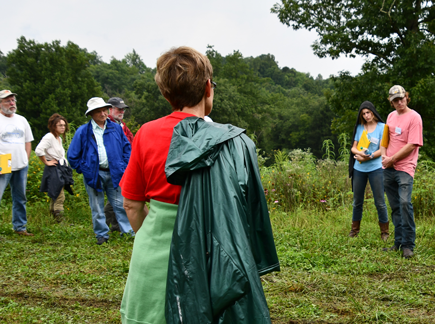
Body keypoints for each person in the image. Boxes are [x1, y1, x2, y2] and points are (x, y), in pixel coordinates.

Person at [119, 46, 279, 324]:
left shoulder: (146, 132)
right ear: (208, 87)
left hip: (155, 257)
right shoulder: (230, 141)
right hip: (214, 257)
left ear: (165, 93)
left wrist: (157, 238)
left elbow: (131, 205)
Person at [67, 97, 133, 245]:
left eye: (105, 110)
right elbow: (72, 155)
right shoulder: (83, 131)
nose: (103, 114)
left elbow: (126, 148)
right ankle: (101, 235)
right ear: (91, 114)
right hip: (94, 174)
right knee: (96, 206)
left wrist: (124, 165)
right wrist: (84, 169)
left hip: (115, 172)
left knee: (120, 204)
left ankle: (127, 232)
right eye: (98, 111)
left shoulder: (115, 128)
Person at [381, 85, 423, 259]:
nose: (399, 102)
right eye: (395, 100)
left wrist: (392, 159)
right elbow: (385, 140)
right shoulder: (391, 116)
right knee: (395, 206)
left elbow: (412, 144)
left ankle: (408, 244)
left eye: (401, 98)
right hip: (388, 168)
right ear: (391, 102)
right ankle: (398, 242)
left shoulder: (414, 117)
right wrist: (384, 156)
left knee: (405, 204)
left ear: (407, 97)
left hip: (404, 167)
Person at [348, 101, 389, 240]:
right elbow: (354, 147)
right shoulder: (360, 127)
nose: (366, 116)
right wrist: (358, 155)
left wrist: (370, 156)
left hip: (376, 167)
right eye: (363, 114)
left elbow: (383, 148)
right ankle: (355, 230)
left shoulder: (382, 127)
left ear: (373, 112)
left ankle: (384, 232)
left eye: (368, 112)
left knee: (379, 201)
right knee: (357, 201)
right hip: (359, 167)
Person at [0, 90, 34, 236]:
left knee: (20, 197)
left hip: (21, 163)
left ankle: (20, 227)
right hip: (3, 161)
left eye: (13, 100)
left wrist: (26, 159)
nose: (12, 103)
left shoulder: (22, 120)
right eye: (8, 101)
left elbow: (28, 141)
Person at [35, 113, 74, 223]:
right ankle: (60, 220)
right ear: (53, 126)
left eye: (64, 125)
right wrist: (46, 162)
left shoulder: (58, 138)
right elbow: (38, 150)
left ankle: (53, 219)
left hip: (60, 168)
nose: (63, 127)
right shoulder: (49, 137)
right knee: (59, 195)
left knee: (56, 193)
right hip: (54, 169)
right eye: (59, 125)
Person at [103, 97, 134, 232]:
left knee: (118, 196)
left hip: (124, 165)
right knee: (117, 197)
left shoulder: (122, 125)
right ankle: (105, 225)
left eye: (123, 109)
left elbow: (131, 142)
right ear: (110, 109)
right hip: (113, 166)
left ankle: (114, 225)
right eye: (118, 108)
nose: (121, 111)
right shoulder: (106, 124)